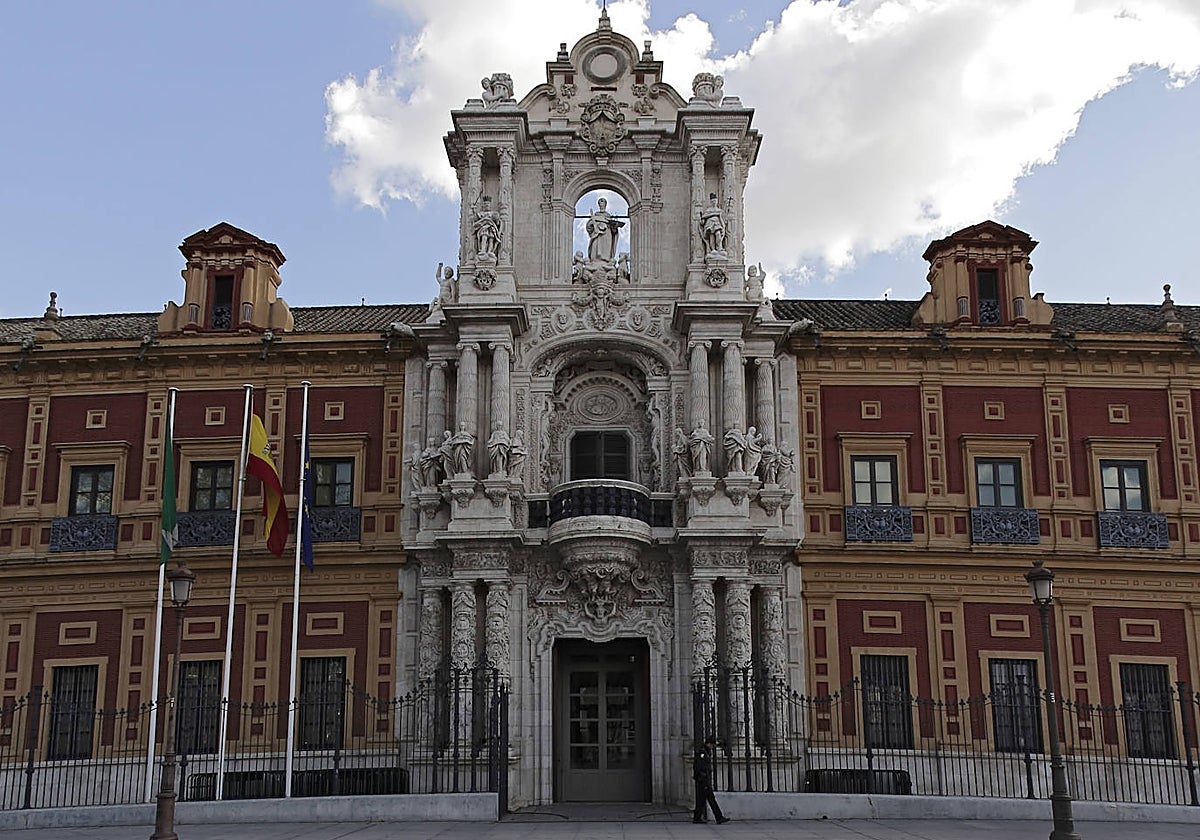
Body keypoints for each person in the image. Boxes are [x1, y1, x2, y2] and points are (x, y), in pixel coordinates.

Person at [693, 736, 728, 824]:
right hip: (703, 781)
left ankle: (697, 818)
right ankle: (719, 817)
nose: (712, 747)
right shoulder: (702, 752)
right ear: (708, 744)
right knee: (711, 799)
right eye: (712, 745)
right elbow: (700, 766)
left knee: (701, 800)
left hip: (703, 780)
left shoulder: (705, 751)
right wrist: (703, 777)